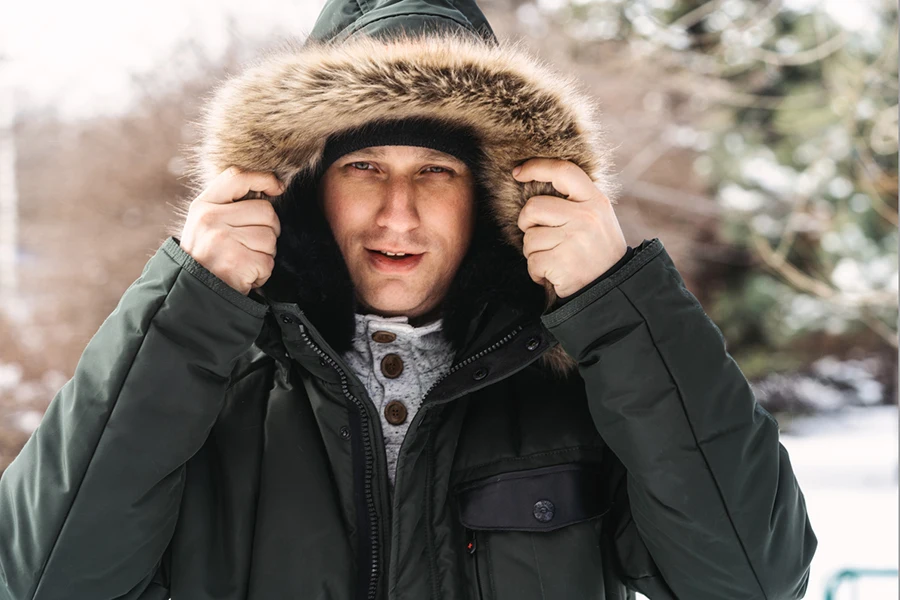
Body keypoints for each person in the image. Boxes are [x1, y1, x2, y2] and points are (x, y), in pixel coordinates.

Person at [0, 0, 817, 598]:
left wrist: (617, 303)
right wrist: (188, 307)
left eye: (436, 171)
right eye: (364, 169)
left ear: (497, 194)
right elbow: (41, 580)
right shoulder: (208, 389)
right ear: (305, 190)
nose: (398, 212)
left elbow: (751, 577)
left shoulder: (581, 389)